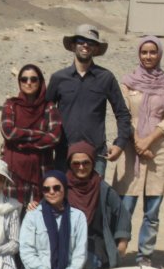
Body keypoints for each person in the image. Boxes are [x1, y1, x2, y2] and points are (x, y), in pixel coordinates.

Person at [111, 36, 164, 267]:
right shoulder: (128, 82)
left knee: (152, 209)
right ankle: (118, 252)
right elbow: (122, 113)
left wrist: (148, 141)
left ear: (160, 54)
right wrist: (137, 144)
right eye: (144, 52)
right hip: (130, 150)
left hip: (158, 150)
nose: (148, 56)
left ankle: (145, 254)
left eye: (153, 52)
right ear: (139, 54)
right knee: (125, 206)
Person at [47, 25, 133, 175]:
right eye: (81, 41)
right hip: (64, 154)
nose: (85, 45)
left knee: (95, 198)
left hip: (96, 155)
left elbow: (123, 114)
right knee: (64, 198)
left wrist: (120, 144)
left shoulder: (106, 78)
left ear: (96, 49)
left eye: (91, 42)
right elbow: (44, 113)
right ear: (73, 45)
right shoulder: (58, 78)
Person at [0, 65, 62, 209]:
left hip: (40, 171)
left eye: (33, 79)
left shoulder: (49, 107)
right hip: (13, 172)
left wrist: (21, 141)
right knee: (11, 216)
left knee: (38, 217)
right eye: (24, 79)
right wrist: (39, 135)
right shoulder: (11, 105)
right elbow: (8, 132)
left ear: (40, 81)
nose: (29, 82)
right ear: (20, 82)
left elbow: (54, 137)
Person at [66, 142, 130, 269]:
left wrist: (122, 242)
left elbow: (122, 213)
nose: (81, 167)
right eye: (76, 164)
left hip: (95, 243)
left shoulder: (102, 188)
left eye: (86, 163)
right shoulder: (61, 187)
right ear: (69, 164)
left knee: (84, 263)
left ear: (93, 163)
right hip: (66, 242)